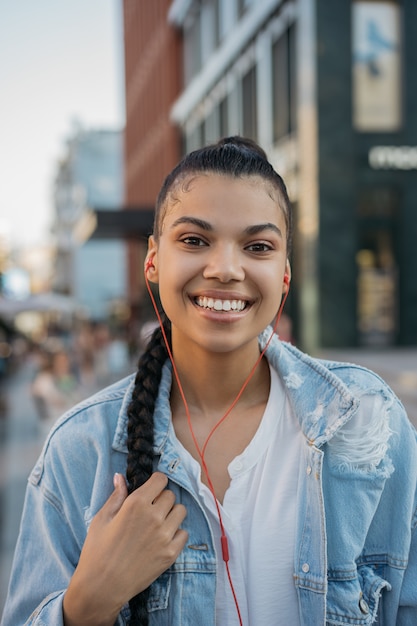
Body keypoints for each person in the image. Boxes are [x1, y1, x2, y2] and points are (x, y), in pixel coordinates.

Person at [2, 137, 416, 626]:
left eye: (257, 246)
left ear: (284, 273)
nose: (225, 269)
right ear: (153, 259)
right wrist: (87, 604)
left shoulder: (367, 422)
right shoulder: (79, 449)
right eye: (195, 241)